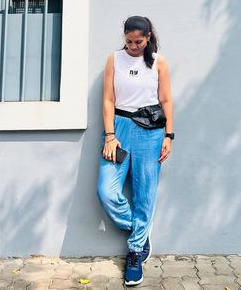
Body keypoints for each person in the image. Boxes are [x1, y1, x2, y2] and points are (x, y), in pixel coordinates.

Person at [97, 15, 174, 286]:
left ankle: (135, 252)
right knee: (106, 190)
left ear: (148, 37)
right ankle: (139, 231)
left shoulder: (159, 62)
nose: (133, 46)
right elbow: (108, 99)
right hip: (119, 127)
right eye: (128, 41)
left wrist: (169, 135)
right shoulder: (114, 60)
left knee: (145, 192)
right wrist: (110, 136)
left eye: (138, 41)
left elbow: (165, 99)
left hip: (151, 132)